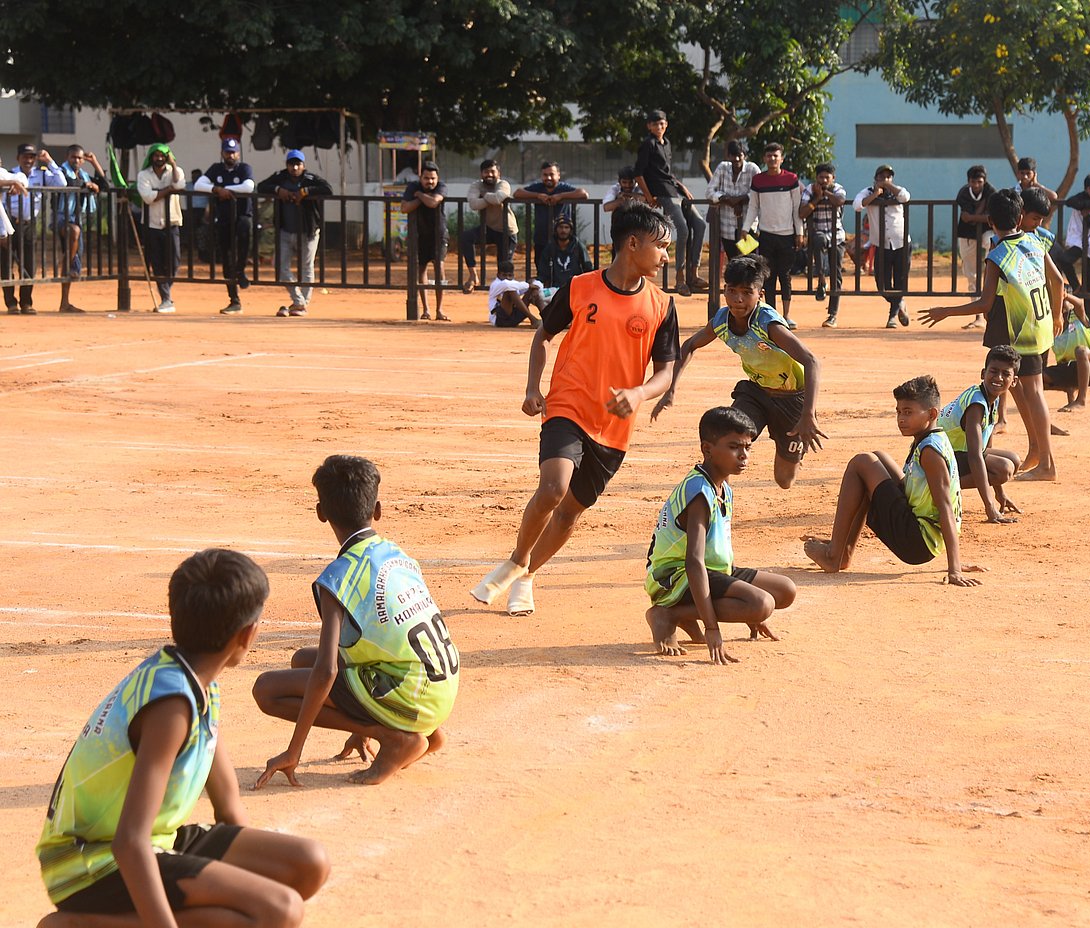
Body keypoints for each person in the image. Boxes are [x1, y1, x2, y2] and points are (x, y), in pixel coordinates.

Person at [35, 549, 330, 927]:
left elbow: (228, 810)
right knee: (279, 909)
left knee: (307, 864)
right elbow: (130, 841)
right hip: (88, 861)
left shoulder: (199, 683)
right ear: (248, 634)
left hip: (153, 842)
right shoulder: (171, 707)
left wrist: (241, 884)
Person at [471, 202, 680, 616]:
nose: (665, 256)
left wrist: (638, 394)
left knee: (568, 515)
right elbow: (542, 337)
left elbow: (667, 371)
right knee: (553, 488)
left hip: (615, 426)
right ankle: (517, 559)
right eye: (661, 246)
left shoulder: (661, 306)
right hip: (567, 406)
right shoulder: (581, 287)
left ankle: (526, 576)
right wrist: (533, 387)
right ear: (633, 244)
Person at [254, 455, 459, 787]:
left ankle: (392, 737)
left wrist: (295, 749)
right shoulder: (397, 554)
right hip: (439, 689)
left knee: (267, 690)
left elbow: (327, 671)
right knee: (300, 659)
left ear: (322, 513)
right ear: (377, 509)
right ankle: (424, 732)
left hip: (408, 694)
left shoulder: (338, 577)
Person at [919, 188, 1064, 482]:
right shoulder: (1034, 240)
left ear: (989, 221)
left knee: (1028, 390)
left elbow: (984, 303)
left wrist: (946, 310)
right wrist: (1058, 314)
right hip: (1038, 322)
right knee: (1013, 385)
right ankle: (1036, 449)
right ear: (1021, 217)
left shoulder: (998, 254)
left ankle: (1047, 464)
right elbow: (1058, 281)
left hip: (1018, 327)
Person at [652, 253, 826, 489]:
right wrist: (671, 389)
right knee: (726, 435)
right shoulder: (722, 320)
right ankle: (708, 493)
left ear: (760, 295)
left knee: (784, 480)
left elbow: (811, 361)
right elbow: (690, 345)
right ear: (724, 290)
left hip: (792, 398)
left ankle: (792, 450)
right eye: (732, 291)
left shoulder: (768, 324)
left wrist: (808, 414)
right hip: (756, 393)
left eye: (747, 292)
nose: (738, 299)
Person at [644, 406, 797, 664]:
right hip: (676, 576)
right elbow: (693, 561)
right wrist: (713, 627)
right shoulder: (698, 492)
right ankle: (668, 614)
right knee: (762, 605)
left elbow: (715, 551)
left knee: (785, 591)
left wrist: (744, 605)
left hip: (715, 569)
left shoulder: (722, 485)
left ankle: (685, 613)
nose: (744, 456)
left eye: (748, 448)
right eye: (734, 447)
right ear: (707, 449)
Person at [804, 375, 984, 586]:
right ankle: (842, 548)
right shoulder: (930, 437)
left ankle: (834, 555)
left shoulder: (930, 452)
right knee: (878, 456)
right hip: (923, 534)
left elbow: (946, 507)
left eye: (908, 412)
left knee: (861, 463)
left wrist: (954, 568)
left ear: (932, 414)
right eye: (898, 411)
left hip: (917, 542)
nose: (901, 419)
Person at [936, 345, 1023, 523]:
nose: (998, 378)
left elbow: (985, 448)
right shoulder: (976, 405)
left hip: (956, 454)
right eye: (994, 371)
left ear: (1013, 381)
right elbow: (976, 457)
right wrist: (990, 508)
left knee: (1014, 460)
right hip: (938, 457)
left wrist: (1000, 494)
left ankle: (943, 485)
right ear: (983, 373)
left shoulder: (992, 398)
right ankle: (938, 488)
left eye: (1006, 374)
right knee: (1004, 469)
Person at [634, 110, 708, 296]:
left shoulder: (666, 143)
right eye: (655, 124)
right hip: (662, 193)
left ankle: (694, 273)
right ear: (649, 126)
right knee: (682, 229)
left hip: (674, 189)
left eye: (662, 123)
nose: (659, 127)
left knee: (699, 224)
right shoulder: (648, 144)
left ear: (666, 125)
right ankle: (680, 278)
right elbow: (639, 173)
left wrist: (682, 187)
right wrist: (649, 196)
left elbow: (666, 172)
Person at [258, 149, 333, 317]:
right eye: (292, 164)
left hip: (308, 230)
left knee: (307, 267)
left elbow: (328, 189)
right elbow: (261, 186)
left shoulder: (310, 178)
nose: (294, 167)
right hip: (285, 230)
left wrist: (305, 192)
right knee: (280, 266)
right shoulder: (280, 176)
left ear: (303, 166)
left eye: (298, 164)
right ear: (287, 165)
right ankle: (299, 303)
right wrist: (278, 190)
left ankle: (300, 304)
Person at [740, 142, 803, 326]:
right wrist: (746, 227)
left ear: (781, 158)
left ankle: (787, 315)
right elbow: (753, 206)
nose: (772, 159)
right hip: (766, 234)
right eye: (769, 156)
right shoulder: (758, 180)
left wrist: (799, 232)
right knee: (768, 276)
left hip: (787, 234)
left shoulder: (791, 179)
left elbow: (796, 208)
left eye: (776, 156)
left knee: (785, 276)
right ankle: (772, 316)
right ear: (764, 158)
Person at [195, 137, 255, 315]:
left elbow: (249, 186)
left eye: (234, 152)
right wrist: (216, 190)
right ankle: (234, 300)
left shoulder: (244, 168)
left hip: (242, 215)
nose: (231, 155)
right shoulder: (216, 168)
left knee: (244, 235)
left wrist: (226, 189)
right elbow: (199, 184)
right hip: (223, 218)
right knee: (226, 255)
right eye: (228, 152)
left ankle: (241, 271)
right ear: (222, 153)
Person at [2, 144, 65, 314]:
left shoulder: (42, 174)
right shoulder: (9, 173)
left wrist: (50, 161)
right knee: (6, 264)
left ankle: (26, 302)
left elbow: (62, 183)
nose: (28, 160)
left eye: (31, 157)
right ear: (18, 158)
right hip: (9, 223)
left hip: (29, 224)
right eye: (25, 156)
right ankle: (11, 303)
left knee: (29, 265)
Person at [854, 164, 912, 328]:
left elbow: (905, 197)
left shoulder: (897, 190)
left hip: (901, 242)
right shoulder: (867, 192)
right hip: (881, 244)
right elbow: (858, 205)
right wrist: (876, 194)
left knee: (900, 281)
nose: (885, 180)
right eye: (882, 177)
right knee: (882, 285)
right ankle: (899, 303)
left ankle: (892, 317)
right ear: (875, 178)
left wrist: (888, 186)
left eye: (888, 177)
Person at [55, 144, 107, 313]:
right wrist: (88, 185)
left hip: (78, 220)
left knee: (73, 257)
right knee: (74, 234)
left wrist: (94, 162)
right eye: (73, 157)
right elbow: (68, 183)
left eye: (79, 158)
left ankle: (64, 302)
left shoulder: (84, 173)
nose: (76, 161)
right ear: (67, 157)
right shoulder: (62, 171)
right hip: (63, 219)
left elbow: (104, 185)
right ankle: (67, 265)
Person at [136, 143, 186, 313]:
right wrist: (167, 190)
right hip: (152, 224)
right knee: (156, 262)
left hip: (171, 222)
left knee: (174, 260)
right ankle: (166, 299)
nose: (159, 158)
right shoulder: (144, 174)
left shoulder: (175, 171)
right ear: (151, 157)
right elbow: (148, 197)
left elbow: (179, 185)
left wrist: (173, 164)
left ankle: (166, 294)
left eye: (162, 155)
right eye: (156, 155)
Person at [401, 160, 451, 321]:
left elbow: (433, 202)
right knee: (421, 269)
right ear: (420, 177)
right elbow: (404, 208)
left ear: (437, 178)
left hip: (439, 233)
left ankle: (439, 309)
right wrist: (420, 198)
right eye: (426, 178)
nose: (430, 181)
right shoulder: (412, 187)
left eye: (432, 178)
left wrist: (419, 196)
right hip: (420, 235)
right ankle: (426, 310)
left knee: (440, 268)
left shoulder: (441, 187)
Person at [798, 162, 847, 327]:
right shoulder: (809, 190)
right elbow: (802, 212)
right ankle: (820, 279)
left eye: (827, 177)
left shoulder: (838, 188)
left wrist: (824, 192)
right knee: (818, 240)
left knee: (836, 274)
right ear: (816, 177)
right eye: (821, 177)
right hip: (818, 232)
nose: (824, 180)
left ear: (833, 178)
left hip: (837, 235)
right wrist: (817, 197)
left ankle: (832, 314)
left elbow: (840, 201)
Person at [513, 160, 588, 266]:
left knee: (564, 268)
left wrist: (561, 196)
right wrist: (538, 196)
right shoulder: (538, 187)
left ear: (558, 175)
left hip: (563, 237)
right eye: (545, 175)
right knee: (541, 267)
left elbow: (583, 194)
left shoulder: (563, 188)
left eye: (551, 174)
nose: (548, 178)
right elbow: (517, 193)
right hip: (541, 237)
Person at [461, 158, 517, 293]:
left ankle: (504, 294)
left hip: (507, 230)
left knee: (504, 266)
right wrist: (491, 199)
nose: (489, 175)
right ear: (481, 174)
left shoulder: (503, 184)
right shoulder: (477, 185)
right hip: (489, 228)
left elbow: (499, 198)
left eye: (492, 172)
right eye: (486, 172)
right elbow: (473, 204)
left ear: (499, 173)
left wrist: (484, 195)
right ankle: (473, 276)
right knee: (466, 237)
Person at [1043, 293, 1090, 411]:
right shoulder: (1049, 328)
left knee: (1081, 351)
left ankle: (1081, 400)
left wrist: (1062, 294)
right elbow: (1042, 359)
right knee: (1036, 377)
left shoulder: (1078, 318)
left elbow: (1079, 304)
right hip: (1067, 370)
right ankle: (1069, 388)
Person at [1061, 174, 1090, 323]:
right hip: (1079, 243)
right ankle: (1076, 287)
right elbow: (1070, 202)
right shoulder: (1081, 199)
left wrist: (1088, 218)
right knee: (1064, 259)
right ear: (1085, 189)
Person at [954, 165, 996, 327]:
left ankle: (990, 312)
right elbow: (965, 218)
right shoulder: (964, 193)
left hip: (987, 231)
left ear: (984, 181)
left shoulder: (991, 191)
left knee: (991, 244)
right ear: (968, 182)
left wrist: (974, 217)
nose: (977, 185)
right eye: (973, 182)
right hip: (966, 234)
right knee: (971, 274)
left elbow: (988, 217)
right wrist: (981, 217)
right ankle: (978, 315)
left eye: (980, 181)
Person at [706, 140, 759, 259]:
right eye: (733, 155)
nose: (736, 159)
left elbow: (759, 193)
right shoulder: (722, 167)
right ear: (728, 156)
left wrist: (741, 199)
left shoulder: (752, 169)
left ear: (744, 155)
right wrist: (728, 200)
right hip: (727, 226)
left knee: (749, 262)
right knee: (733, 261)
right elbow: (709, 192)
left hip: (748, 225)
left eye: (739, 155)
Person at [536, 216, 592, 290]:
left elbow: (588, 268)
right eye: (560, 227)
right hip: (555, 289)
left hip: (575, 288)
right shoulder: (550, 248)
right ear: (556, 229)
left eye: (566, 227)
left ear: (571, 230)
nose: (563, 230)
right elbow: (543, 273)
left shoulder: (578, 246)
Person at [488, 259, 545, 327]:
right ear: (498, 275)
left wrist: (534, 288)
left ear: (513, 275)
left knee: (532, 289)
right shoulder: (495, 284)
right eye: (504, 275)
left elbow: (538, 283)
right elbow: (506, 285)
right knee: (510, 291)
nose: (507, 278)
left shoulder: (514, 283)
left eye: (510, 275)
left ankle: (546, 319)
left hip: (515, 318)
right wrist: (529, 285)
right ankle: (533, 320)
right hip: (501, 320)